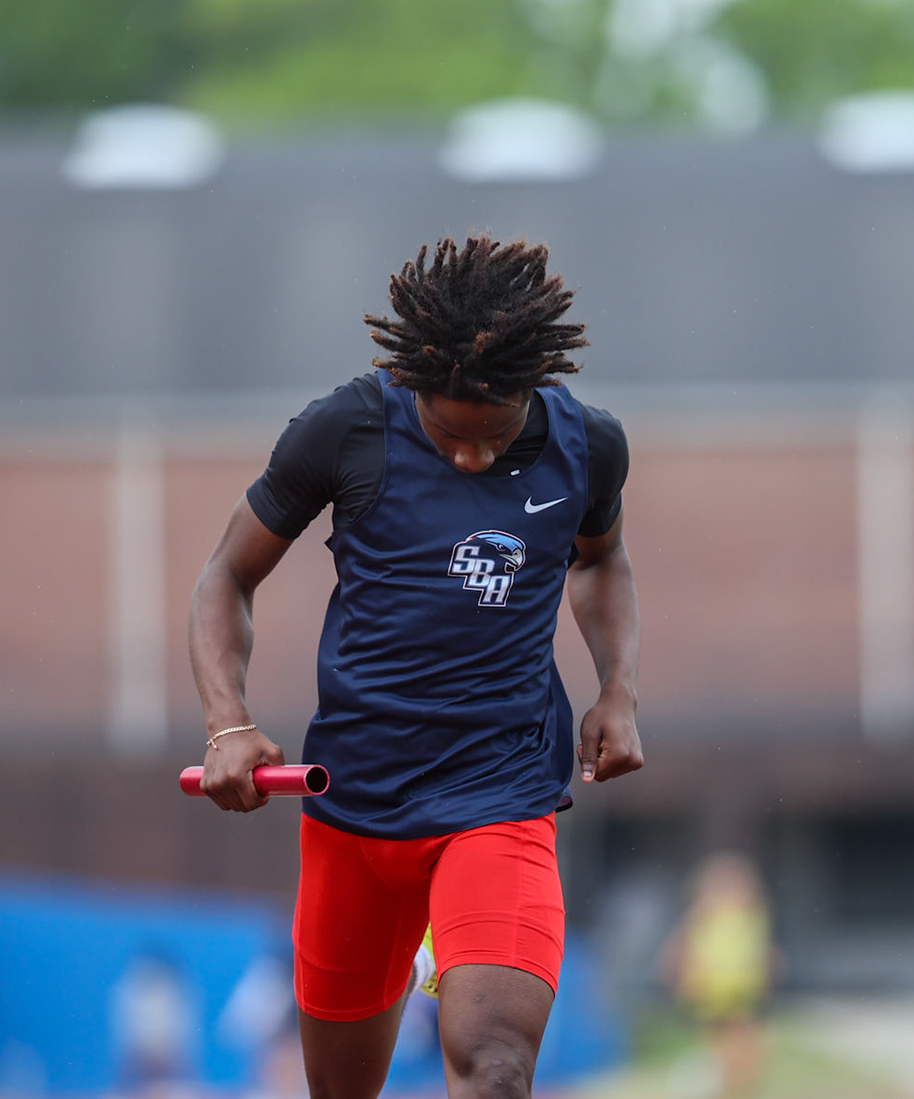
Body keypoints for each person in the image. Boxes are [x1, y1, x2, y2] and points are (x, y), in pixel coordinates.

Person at [188, 235, 643, 1099]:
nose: (472, 458)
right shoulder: (347, 429)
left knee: (496, 1068)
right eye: (449, 435)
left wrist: (616, 686)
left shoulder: (588, 445)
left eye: (494, 436)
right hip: (354, 808)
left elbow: (600, 560)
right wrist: (228, 722)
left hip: (499, 796)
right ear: (412, 388)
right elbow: (226, 577)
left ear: (532, 391)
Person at [664, 854, 773, 1099]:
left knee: (744, 1045)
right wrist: (679, 976)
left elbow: (760, 951)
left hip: (740, 989)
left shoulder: (751, 917)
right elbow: (681, 948)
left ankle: (735, 1086)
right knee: (723, 1046)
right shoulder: (704, 916)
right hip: (711, 989)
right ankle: (721, 1085)